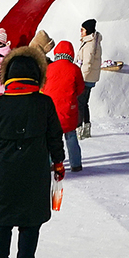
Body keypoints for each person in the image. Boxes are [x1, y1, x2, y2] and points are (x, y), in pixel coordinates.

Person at [0, 44, 64, 258]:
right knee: (30, 218)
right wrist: (58, 162)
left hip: (5, 167)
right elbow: (54, 136)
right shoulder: (44, 103)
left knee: (2, 218)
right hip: (35, 167)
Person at [42, 41, 86, 172]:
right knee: (71, 137)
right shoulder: (74, 69)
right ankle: (76, 164)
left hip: (50, 109)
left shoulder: (49, 68)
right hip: (69, 109)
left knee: (50, 138)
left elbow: (43, 87)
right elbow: (80, 88)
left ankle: (51, 163)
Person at [76, 20, 102, 139]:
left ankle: (79, 129)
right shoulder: (93, 41)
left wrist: (80, 79)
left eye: (82, 29)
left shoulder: (90, 43)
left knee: (80, 104)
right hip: (90, 78)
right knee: (84, 103)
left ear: (88, 30)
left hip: (86, 78)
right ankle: (86, 127)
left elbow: (88, 63)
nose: (80, 32)